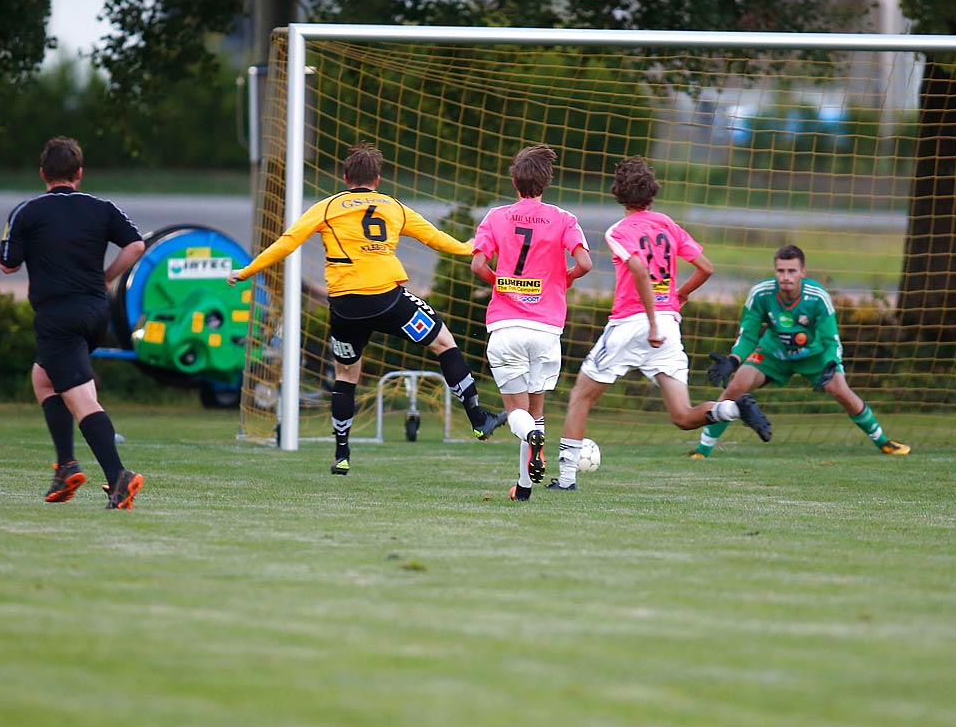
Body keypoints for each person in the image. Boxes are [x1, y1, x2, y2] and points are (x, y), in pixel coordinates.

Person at [229, 142, 507, 476]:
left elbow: (288, 242)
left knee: (346, 375)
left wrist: (246, 272)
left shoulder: (327, 207)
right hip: (387, 300)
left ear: (346, 177)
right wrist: (471, 247)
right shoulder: (393, 207)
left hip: (345, 307)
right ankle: (478, 418)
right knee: (444, 343)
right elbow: (435, 239)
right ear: (377, 178)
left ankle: (342, 453)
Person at [549, 156, 769, 490]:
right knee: (682, 416)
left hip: (633, 324)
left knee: (581, 396)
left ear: (619, 196)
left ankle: (565, 481)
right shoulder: (666, 223)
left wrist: (651, 322)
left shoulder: (619, 231)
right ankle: (734, 409)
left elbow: (638, 269)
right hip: (668, 324)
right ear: (652, 194)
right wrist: (678, 296)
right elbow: (706, 267)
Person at [0, 136, 148, 509]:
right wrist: (107, 277)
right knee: (44, 377)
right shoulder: (101, 208)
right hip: (96, 312)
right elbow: (136, 245)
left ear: (42, 173)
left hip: (58, 315)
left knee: (80, 398)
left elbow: (7, 263)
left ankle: (119, 477)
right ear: (79, 173)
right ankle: (66, 466)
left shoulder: (27, 212)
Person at [688, 245, 910, 459]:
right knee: (735, 386)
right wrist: (734, 360)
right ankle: (702, 450)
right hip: (773, 353)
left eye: (791, 271)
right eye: (781, 270)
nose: (786, 276)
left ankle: (884, 442)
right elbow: (748, 335)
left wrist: (831, 363)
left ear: (802, 272)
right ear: (775, 271)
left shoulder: (817, 297)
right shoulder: (761, 294)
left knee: (842, 391)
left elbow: (830, 339)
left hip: (814, 355)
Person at [470, 145, 592, 501]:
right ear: (547, 182)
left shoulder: (495, 217)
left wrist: (501, 282)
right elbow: (585, 264)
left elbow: (478, 266)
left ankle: (528, 456)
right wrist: (563, 279)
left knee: (516, 415)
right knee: (535, 413)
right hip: (546, 329)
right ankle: (523, 489)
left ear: (514, 181)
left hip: (506, 326)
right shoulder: (563, 218)